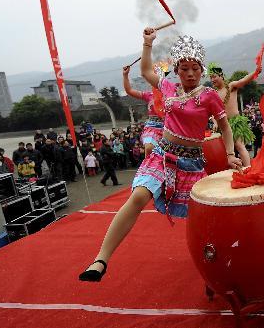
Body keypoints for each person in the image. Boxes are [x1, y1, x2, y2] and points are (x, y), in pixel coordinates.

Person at [79, 30, 242, 282]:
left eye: (195, 68)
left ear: (202, 70)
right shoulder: (166, 86)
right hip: (163, 154)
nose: (190, 73)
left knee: (204, 216)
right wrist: (147, 43)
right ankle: (101, 259)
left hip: (191, 164)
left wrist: (230, 155)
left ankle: (224, 256)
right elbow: (145, 71)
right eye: (185, 68)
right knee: (138, 197)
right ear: (176, 70)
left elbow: (225, 128)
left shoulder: (208, 96)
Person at [208, 59, 262, 167]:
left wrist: (255, 72)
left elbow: (244, 80)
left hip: (235, 122)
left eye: (214, 76)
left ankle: (248, 169)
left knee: (239, 145)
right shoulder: (213, 93)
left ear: (221, 75)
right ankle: (236, 169)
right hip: (223, 125)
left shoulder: (231, 86)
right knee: (226, 151)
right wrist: (215, 122)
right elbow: (213, 112)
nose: (212, 79)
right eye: (210, 77)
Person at [122, 64, 165, 157]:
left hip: (169, 127)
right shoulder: (149, 95)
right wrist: (125, 75)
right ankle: (147, 167)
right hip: (153, 127)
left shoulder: (171, 93)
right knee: (149, 148)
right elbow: (129, 90)